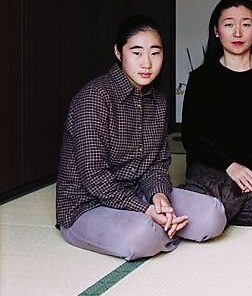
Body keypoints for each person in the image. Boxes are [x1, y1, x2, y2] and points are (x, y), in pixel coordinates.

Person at [55, 15, 227, 261]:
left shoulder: (158, 101)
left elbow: (157, 164)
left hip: (140, 192)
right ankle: (156, 229)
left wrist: (159, 197)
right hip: (87, 205)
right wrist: (144, 210)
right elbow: (93, 177)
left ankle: (160, 227)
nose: (147, 63)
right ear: (118, 52)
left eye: (155, 53)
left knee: (213, 215)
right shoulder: (94, 98)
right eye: (136, 53)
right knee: (143, 235)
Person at [181, 0, 252, 226]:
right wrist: (231, 167)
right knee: (230, 193)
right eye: (229, 24)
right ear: (216, 30)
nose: (238, 33)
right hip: (213, 168)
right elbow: (193, 138)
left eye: (246, 24)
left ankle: (208, 211)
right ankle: (208, 207)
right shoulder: (201, 78)